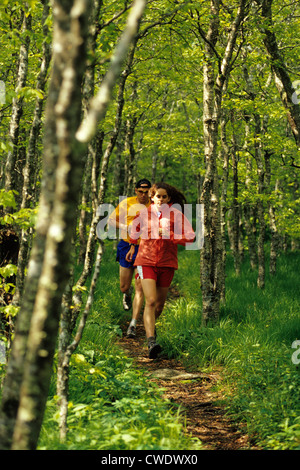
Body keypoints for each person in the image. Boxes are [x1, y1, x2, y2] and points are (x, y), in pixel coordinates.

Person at [126, 182, 195, 359]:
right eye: (158, 196)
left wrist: (171, 236)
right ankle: (151, 341)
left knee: (159, 305)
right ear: (152, 197)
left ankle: (151, 329)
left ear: (169, 198)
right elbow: (133, 231)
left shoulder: (176, 215)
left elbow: (190, 236)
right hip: (146, 260)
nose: (161, 199)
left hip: (167, 263)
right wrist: (133, 246)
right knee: (150, 300)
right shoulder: (144, 214)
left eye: (164, 197)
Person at [108, 178, 151, 338]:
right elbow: (111, 220)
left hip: (145, 249)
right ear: (136, 191)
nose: (143, 195)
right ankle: (127, 294)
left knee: (140, 287)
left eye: (146, 192)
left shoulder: (153, 206)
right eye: (140, 191)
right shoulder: (127, 203)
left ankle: (133, 324)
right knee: (124, 286)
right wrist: (125, 227)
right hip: (126, 245)